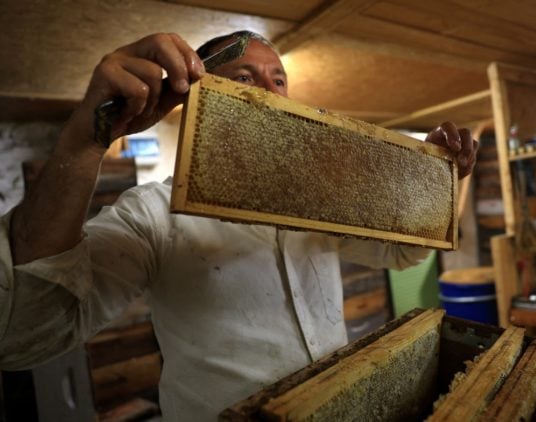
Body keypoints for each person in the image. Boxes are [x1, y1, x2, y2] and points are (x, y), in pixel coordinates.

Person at [0, 30, 477, 419]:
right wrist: (84, 140)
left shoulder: (320, 201)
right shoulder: (152, 211)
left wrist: (435, 180)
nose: (270, 94)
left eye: (279, 80)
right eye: (244, 77)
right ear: (200, 94)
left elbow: (399, 252)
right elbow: (27, 329)